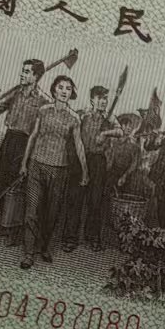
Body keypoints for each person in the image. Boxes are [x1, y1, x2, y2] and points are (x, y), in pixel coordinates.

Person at [17, 75, 88, 269]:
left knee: (52, 212)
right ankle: (28, 253)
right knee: (31, 210)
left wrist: (85, 171)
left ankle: (44, 247)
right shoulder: (43, 110)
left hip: (59, 170)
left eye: (68, 88)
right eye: (61, 87)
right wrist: (24, 163)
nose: (64, 91)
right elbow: (33, 136)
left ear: (71, 93)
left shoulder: (74, 118)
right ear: (54, 90)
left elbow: (79, 145)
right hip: (36, 165)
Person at [0, 58, 46, 245]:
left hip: (26, 143)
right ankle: (5, 222)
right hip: (9, 139)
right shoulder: (15, 94)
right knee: (2, 181)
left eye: (27, 72)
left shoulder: (43, 100)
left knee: (17, 185)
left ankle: (15, 230)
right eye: (23, 71)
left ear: (36, 76)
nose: (22, 74)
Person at [74, 85, 123, 251]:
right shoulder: (83, 115)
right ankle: (70, 237)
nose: (103, 102)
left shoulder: (109, 118)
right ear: (92, 100)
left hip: (98, 161)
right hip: (81, 158)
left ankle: (93, 237)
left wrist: (104, 134)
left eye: (105, 99)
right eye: (100, 98)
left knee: (95, 200)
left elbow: (120, 132)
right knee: (76, 198)